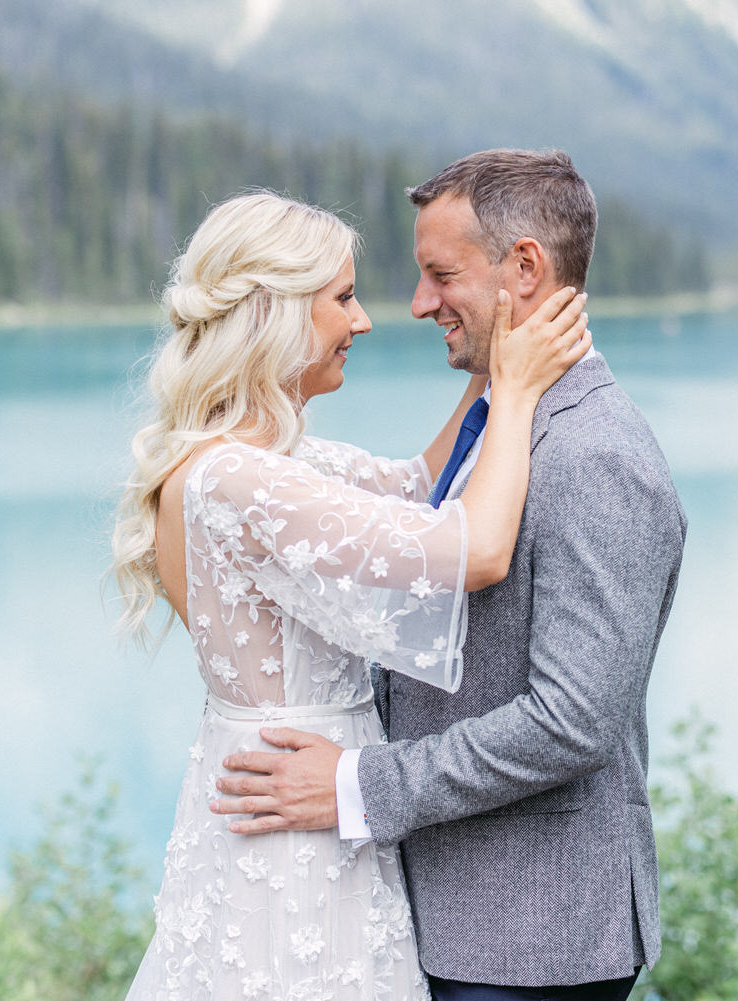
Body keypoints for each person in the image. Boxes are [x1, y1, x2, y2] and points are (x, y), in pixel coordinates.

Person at [213, 150, 687, 1001]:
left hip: (531, 941)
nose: (419, 303)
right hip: (454, 919)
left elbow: (572, 724)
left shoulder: (596, 457)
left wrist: (356, 783)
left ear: (526, 269)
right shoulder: (503, 422)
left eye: (440, 275)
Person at [111, 189, 591, 1001]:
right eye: (341, 298)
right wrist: (513, 398)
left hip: (282, 805)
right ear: (272, 314)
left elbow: (417, 486)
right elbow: (474, 548)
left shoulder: (260, 461)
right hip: (295, 832)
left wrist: (495, 361)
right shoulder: (239, 480)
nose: (364, 319)